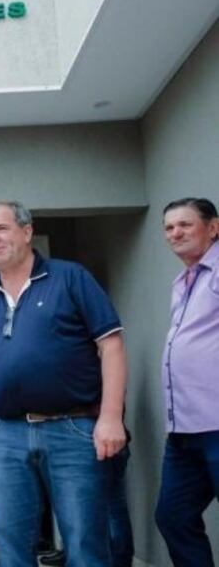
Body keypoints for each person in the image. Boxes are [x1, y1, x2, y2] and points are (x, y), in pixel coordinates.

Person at [0, 200, 128, 567]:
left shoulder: (71, 277)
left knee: (85, 544)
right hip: (4, 435)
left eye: (1, 228)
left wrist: (111, 417)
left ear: (27, 231)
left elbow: (110, 346)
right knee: (12, 546)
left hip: (74, 430)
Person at [154, 197, 219, 566]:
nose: (175, 233)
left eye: (184, 225)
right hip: (184, 432)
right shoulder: (183, 281)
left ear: (213, 228)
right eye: (168, 227)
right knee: (173, 516)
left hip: (217, 423)